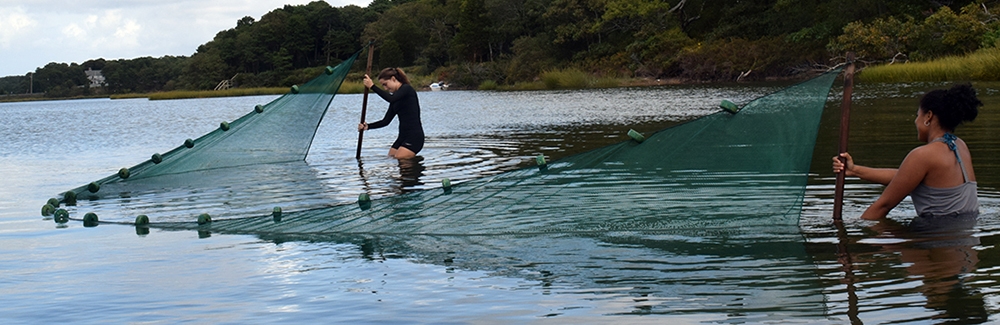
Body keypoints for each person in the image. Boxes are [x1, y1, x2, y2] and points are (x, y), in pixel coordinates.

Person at [833, 84, 982, 220]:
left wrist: (847, 235)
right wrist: (855, 170)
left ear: (928, 116)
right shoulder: (960, 146)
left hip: (937, 241)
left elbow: (883, 206)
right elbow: (905, 178)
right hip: (967, 242)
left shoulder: (923, 155)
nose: (915, 121)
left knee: (885, 237)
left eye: (917, 115)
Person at [359, 67, 424, 159]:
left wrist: (372, 86)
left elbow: (390, 99)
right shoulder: (395, 99)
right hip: (402, 137)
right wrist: (368, 126)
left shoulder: (407, 89)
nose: (385, 88)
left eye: (385, 84)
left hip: (414, 137)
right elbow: (385, 121)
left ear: (393, 79)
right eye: (383, 86)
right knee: (391, 158)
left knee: (400, 160)